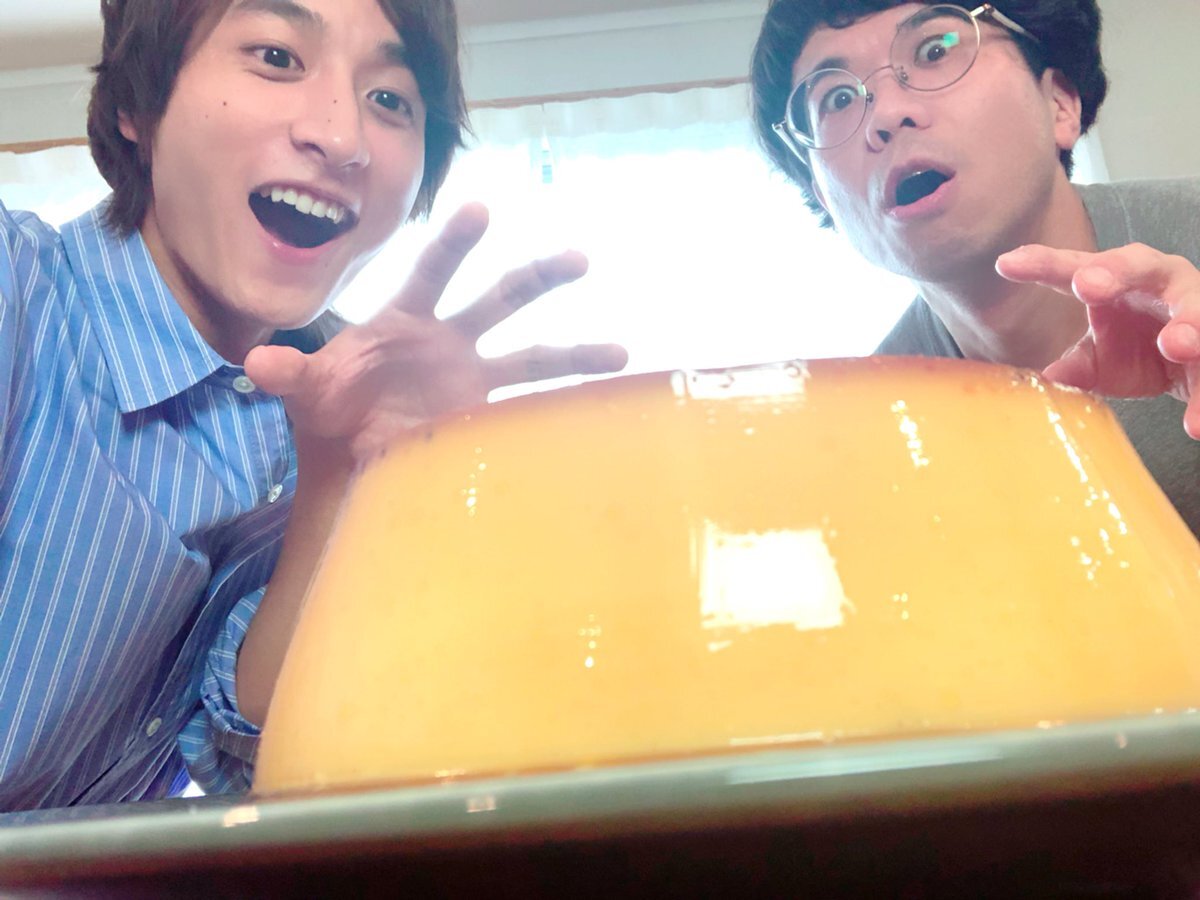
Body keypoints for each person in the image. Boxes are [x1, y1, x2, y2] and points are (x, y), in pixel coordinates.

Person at [0, 0, 626, 811]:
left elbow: (252, 766)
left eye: (390, 99)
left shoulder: (337, 405)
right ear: (136, 107)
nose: (342, 137)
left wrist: (347, 487)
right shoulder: (19, 292)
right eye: (276, 57)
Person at [749, 1, 1200, 535]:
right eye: (837, 99)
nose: (886, 114)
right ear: (824, 196)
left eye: (934, 50)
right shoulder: (873, 437)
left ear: (1059, 104)